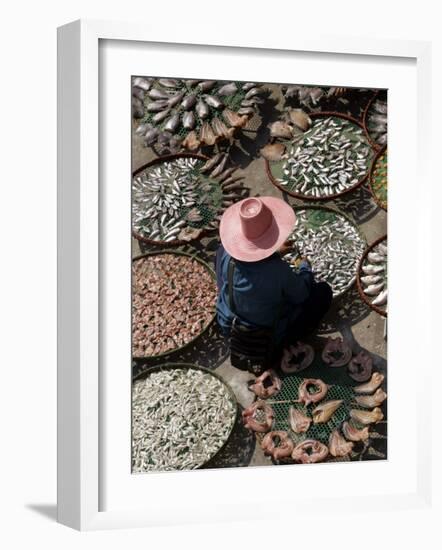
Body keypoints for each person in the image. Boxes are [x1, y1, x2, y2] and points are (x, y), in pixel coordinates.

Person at [215, 196, 333, 358]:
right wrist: (305, 268)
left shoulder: (226, 253)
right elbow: (302, 294)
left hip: (228, 323)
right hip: (263, 338)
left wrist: (274, 253)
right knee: (322, 292)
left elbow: (249, 267)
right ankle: (283, 344)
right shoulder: (277, 271)